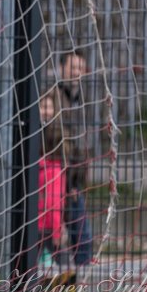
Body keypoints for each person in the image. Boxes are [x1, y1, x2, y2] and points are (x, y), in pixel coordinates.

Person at [56, 49, 95, 268]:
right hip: (56, 176)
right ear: (62, 69)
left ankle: (80, 282)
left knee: (81, 236)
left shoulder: (83, 99)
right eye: (73, 67)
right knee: (58, 234)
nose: (77, 72)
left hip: (74, 180)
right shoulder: (54, 97)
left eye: (81, 68)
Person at [37, 90, 67, 269]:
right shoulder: (51, 168)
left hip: (44, 227)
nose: (45, 111)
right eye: (42, 106)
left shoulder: (52, 167)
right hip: (45, 228)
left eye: (49, 107)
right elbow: (54, 203)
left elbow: (54, 202)